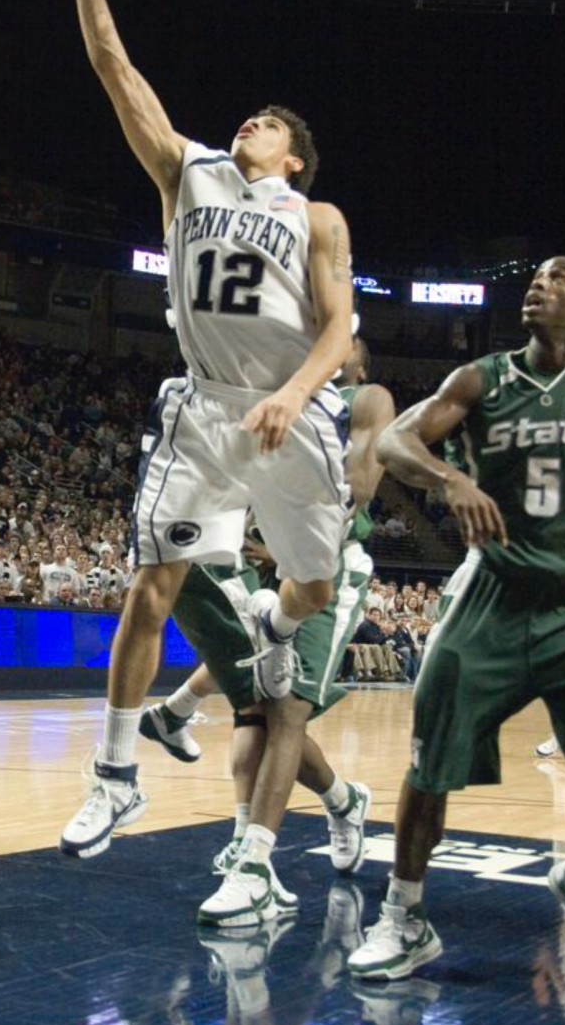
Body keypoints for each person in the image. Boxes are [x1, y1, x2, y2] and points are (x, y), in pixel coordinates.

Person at [58, 0, 354, 868]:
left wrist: (295, 391)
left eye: (269, 121)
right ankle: (114, 778)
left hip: (291, 416)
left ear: (295, 157)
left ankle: (272, 619)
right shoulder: (187, 168)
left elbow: (340, 324)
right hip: (205, 414)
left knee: (310, 587)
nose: (249, 123)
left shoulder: (313, 218)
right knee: (150, 586)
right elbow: (109, 64)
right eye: (249, 115)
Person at [348, 256, 565, 981]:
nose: (538, 284)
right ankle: (405, 916)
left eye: (558, 279)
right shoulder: (482, 378)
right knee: (428, 764)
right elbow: (396, 439)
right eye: (535, 277)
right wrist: (451, 477)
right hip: (489, 597)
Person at [140, 340, 396, 923]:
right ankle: (329, 806)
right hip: (272, 564)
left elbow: (360, 486)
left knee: (284, 708)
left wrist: (286, 526)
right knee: (256, 703)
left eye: (345, 340)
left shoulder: (365, 398)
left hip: (331, 566)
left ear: (360, 360)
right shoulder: (275, 400)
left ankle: (256, 860)